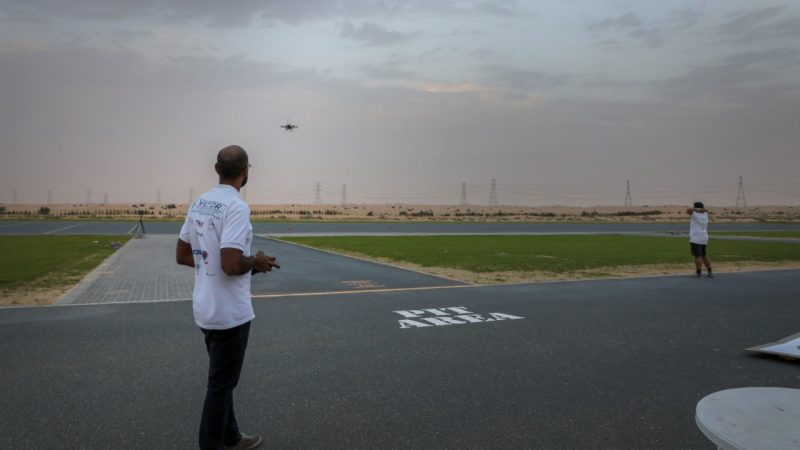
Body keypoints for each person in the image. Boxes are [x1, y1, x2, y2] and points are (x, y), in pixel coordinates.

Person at [176, 145, 279, 450]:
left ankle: (231, 437)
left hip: (204, 308)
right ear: (246, 171)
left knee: (223, 380)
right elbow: (232, 264)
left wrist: (211, 260)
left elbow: (183, 255)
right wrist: (256, 262)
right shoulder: (236, 207)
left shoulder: (199, 203)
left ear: (215, 168)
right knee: (220, 386)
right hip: (229, 313)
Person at [687, 201, 713, 278]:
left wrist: (696, 209)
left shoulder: (695, 213)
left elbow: (688, 210)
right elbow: (705, 210)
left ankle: (698, 273)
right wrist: (702, 209)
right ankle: (710, 272)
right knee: (704, 255)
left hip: (696, 238)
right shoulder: (705, 214)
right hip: (704, 237)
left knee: (697, 256)